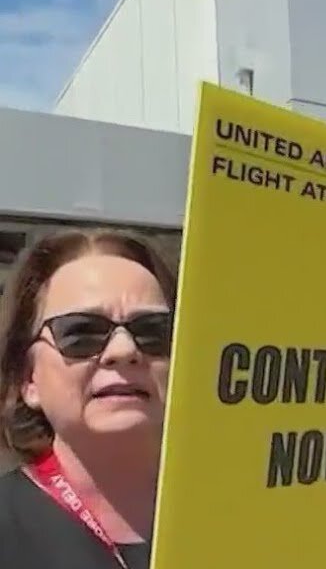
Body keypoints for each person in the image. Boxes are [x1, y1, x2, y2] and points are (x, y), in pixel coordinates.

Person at [0, 228, 176, 568]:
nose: (124, 350)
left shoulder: (250, 515)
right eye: (81, 332)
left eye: (152, 330)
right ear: (27, 379)